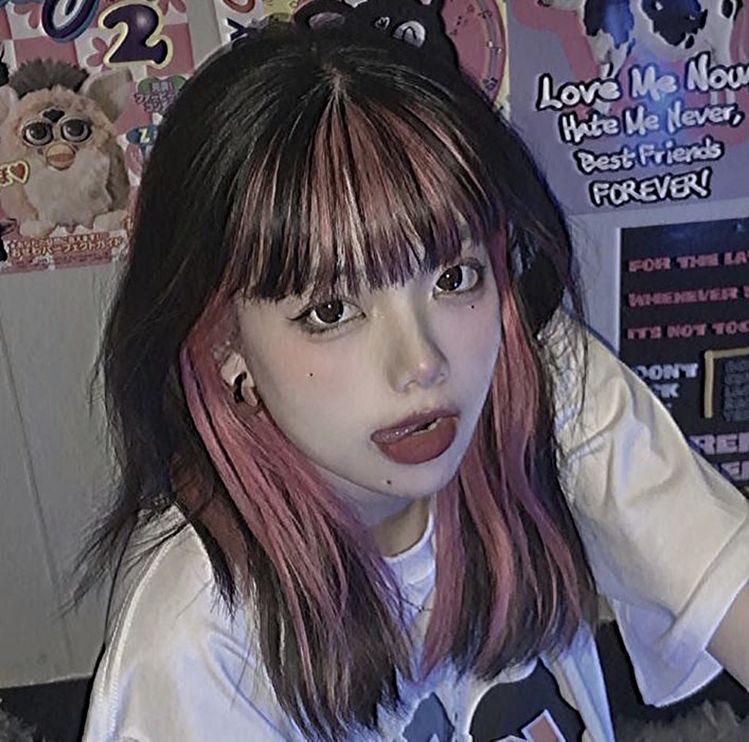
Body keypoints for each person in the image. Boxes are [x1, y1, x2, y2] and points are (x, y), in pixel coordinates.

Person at [79, 17, 749, 742]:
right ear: (224, 347)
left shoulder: (535, 381)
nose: (422, 363)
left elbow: (725, 579)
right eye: (331, 310)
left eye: (454, 277)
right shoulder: (197, 646)